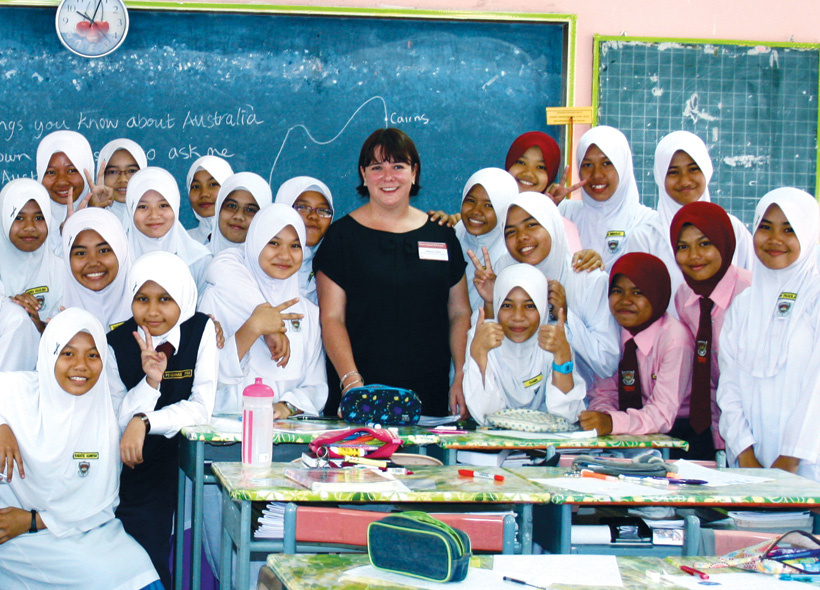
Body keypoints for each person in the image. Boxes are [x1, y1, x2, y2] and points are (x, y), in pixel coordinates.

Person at [313, 128, 471, 417]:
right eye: (377, 167)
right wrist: (352, 382)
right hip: (360, 399)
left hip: (431, 399)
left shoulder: (442, 236)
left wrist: (461, 374)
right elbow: (331, 318)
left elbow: (460, 311)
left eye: (398, 166)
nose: (388, 177)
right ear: (363, 174)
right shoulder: (341, 238)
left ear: (414, 173)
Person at [0, 308, 160, 590]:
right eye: (68, 353)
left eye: (93, 354)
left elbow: (100, 509)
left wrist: (33, 521)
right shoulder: (17, 392)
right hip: (11, 535)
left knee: (140, 571)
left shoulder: (103, 418)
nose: (81, 365)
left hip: (77, 529)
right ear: (49, 354)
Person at [107, 251, 218, 588]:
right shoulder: (116, 342)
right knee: (144, 556)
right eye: (142, 298)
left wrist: (147, 420)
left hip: (189, 459)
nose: (152, 311)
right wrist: (150, 383)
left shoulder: (201, 330)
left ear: (182, 297)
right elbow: (117, 419)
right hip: (138, 464)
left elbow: (201, 407)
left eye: (164, 299)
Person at [718, 188, 820, 479]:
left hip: (808, 465)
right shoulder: (743, 305)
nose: (775, 239)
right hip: (752, 469)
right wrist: (745, 454)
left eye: (789, 229)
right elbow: (730, 388)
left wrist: (790, 459)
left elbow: (817, 388)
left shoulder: (815, 297)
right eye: (766, 227)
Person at [475, 192, 619, 387]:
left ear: (551, 224)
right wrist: (491, 302)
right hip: (515, 404)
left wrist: (566, 317)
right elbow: (491, 353)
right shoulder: (503, 271)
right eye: (510, 232)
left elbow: (606, 363)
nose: (522, 237)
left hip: (578, 405)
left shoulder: (587, 278)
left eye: (532, 224)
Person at [199, 203, 327, 416]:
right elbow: (204, 376)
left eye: (295, 246)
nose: (285, 256)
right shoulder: (218, 298)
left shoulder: (308, 313)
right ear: (255, 244)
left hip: (287, 438)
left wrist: (287, 406)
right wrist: (253, 328)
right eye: (273, 243)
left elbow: (315, 386)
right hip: (222, 434)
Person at [580, 253, 694, 439]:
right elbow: (603, 392)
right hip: (625, 431)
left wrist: (613, 423)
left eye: (637, 292)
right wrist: (604, 416)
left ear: (657, 293)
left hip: (677, 433)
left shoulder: (675, 340)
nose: (626, 300)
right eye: (617, 291)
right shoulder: (612, 330)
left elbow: (662, 415)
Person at [670, 201, 752, 459]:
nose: (694, 256)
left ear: (725, 242)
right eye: (683, 247)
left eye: (705, 243)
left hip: (751, 431)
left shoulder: (751, 293)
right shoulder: (684, 295)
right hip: (704, 427)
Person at [463, 263, 586, 424]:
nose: (518, 317)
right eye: (507, 305)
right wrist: (479, 356)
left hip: (546, 444)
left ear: (542, 307)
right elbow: (483, 415)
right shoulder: (482, 336)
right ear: (497, 304)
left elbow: (566, 416)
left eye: (529, 306)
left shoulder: (555, 338)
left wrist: (562, 357)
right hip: (496, 445)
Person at [562, 126, 672, 273]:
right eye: (587, 165)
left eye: (607, 163)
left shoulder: (649, 225)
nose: (597, 175)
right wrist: (546, 205)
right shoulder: (564, 214)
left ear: (623, 166)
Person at [654, 130, 754, 270]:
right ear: (660, 176)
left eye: (693, 169)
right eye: (674, 172)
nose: (685, 181)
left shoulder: (732, 229)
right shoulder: (647, 236)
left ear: (706, 170)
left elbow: (752, 281)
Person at [124, 167, 212, 292]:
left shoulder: (199, 260)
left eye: (163, 205)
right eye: (143, 206)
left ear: (175, 207)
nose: (154, 215)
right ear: (131, 210)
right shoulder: (119, 259)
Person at [0, 178, 63, 332]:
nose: (29, 227)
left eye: (39, 218)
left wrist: (39, 326)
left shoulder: (62, 272)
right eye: (19, 217)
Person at [505, 131, 585, 252]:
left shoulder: (563, 228)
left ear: (551, 175)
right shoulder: (489, 215)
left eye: (541, 167)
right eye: (521, 162)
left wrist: (547, 211)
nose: (528, 173)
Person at [454, 167, 518, 310]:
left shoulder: (512, 254)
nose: (476, 211)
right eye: (470, 200)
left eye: (489, 205)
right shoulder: (456, 233)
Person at [62, 207, 132, 332]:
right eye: (81, 253)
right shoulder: (58, 319)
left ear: (121, 252)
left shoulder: (149, 313)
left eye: (103, 251)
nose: (93, 263)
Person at [274, 176, 335, 305]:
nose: (313, 216)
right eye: (303, 207)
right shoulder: (256, 262)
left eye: (323, 210)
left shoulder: (332, 267)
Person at [35, 130, 95, 250]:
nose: (62, 181)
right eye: (51, 172)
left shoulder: (108, 217)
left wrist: (95, 212)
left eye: (72, 170)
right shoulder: (25, 225)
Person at [209, 172, 272, 255]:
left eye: (250, 210)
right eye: (231, 206)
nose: (238, 216)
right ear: (218, 209)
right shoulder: (196, 262)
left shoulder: (272, 264)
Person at [96, 138, 149, 224]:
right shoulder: (86, 223)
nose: (123, 179)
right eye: (113, 172)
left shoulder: (158, 222)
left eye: (132, 171)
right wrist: (96, 213)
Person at [186, 156, 234, 244]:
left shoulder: (248, 242)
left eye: (213, 184)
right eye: (196, 186)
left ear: (228, 188)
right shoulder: (181, 244)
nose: (204, 193)